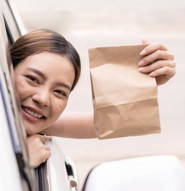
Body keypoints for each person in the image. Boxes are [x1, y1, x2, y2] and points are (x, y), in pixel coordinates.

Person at [10, 29, 176, 167]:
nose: (43, 99)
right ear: (8, 71)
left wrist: (146, 81)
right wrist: (22, 164)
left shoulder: (34, 121)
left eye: (59, 92)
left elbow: (113, 121)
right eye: (32, 79)